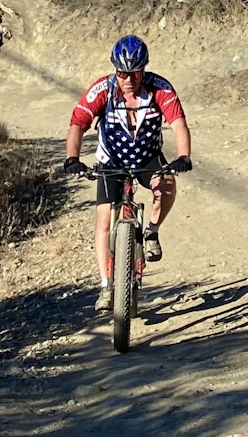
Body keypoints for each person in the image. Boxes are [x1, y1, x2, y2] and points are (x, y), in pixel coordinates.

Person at [63, 34, 192, 312]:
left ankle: (152, 231)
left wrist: (184, 156)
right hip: (111, 161)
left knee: (166, 185)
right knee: (103, 221)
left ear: (143, 69)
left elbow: (178, 124)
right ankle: (107, 286)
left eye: (135, 72)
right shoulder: (101, 90)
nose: (129, 79)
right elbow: (78, 124)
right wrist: (72, 158)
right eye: (123, 73)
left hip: (147, 156)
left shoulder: (160, 88)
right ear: (115, 70)